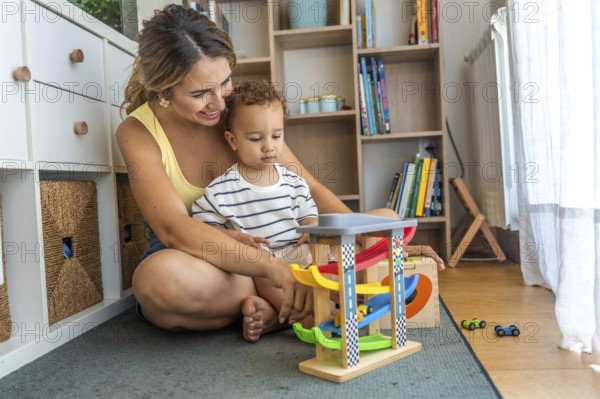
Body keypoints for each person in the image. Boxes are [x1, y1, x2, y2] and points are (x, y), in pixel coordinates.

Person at [117, 4, 444, 342]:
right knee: (159, 284)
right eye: (201, 94)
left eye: (225, 82)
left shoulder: (238, 112)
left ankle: (280, 308)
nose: (219, 102)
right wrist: (269, 268)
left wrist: (366, 239)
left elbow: (309, 185)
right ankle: (296, 297)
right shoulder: (138, 131)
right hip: (211, 262)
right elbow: (175, 229)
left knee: (385, 218)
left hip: (283, 250)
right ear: (163, 90)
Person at [191, 80, 317, 270]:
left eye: (276, 136)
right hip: (258, 262)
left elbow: (308, 215)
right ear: (233, 140)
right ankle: (282, 299)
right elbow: (204, 229)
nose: (269, 146)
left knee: (326, 251)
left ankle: (323, 295)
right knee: (262, 269)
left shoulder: (294, 182)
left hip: (295, 251)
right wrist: (235, 238)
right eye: (256, 139)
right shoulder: (221, 190)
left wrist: (311, 227)